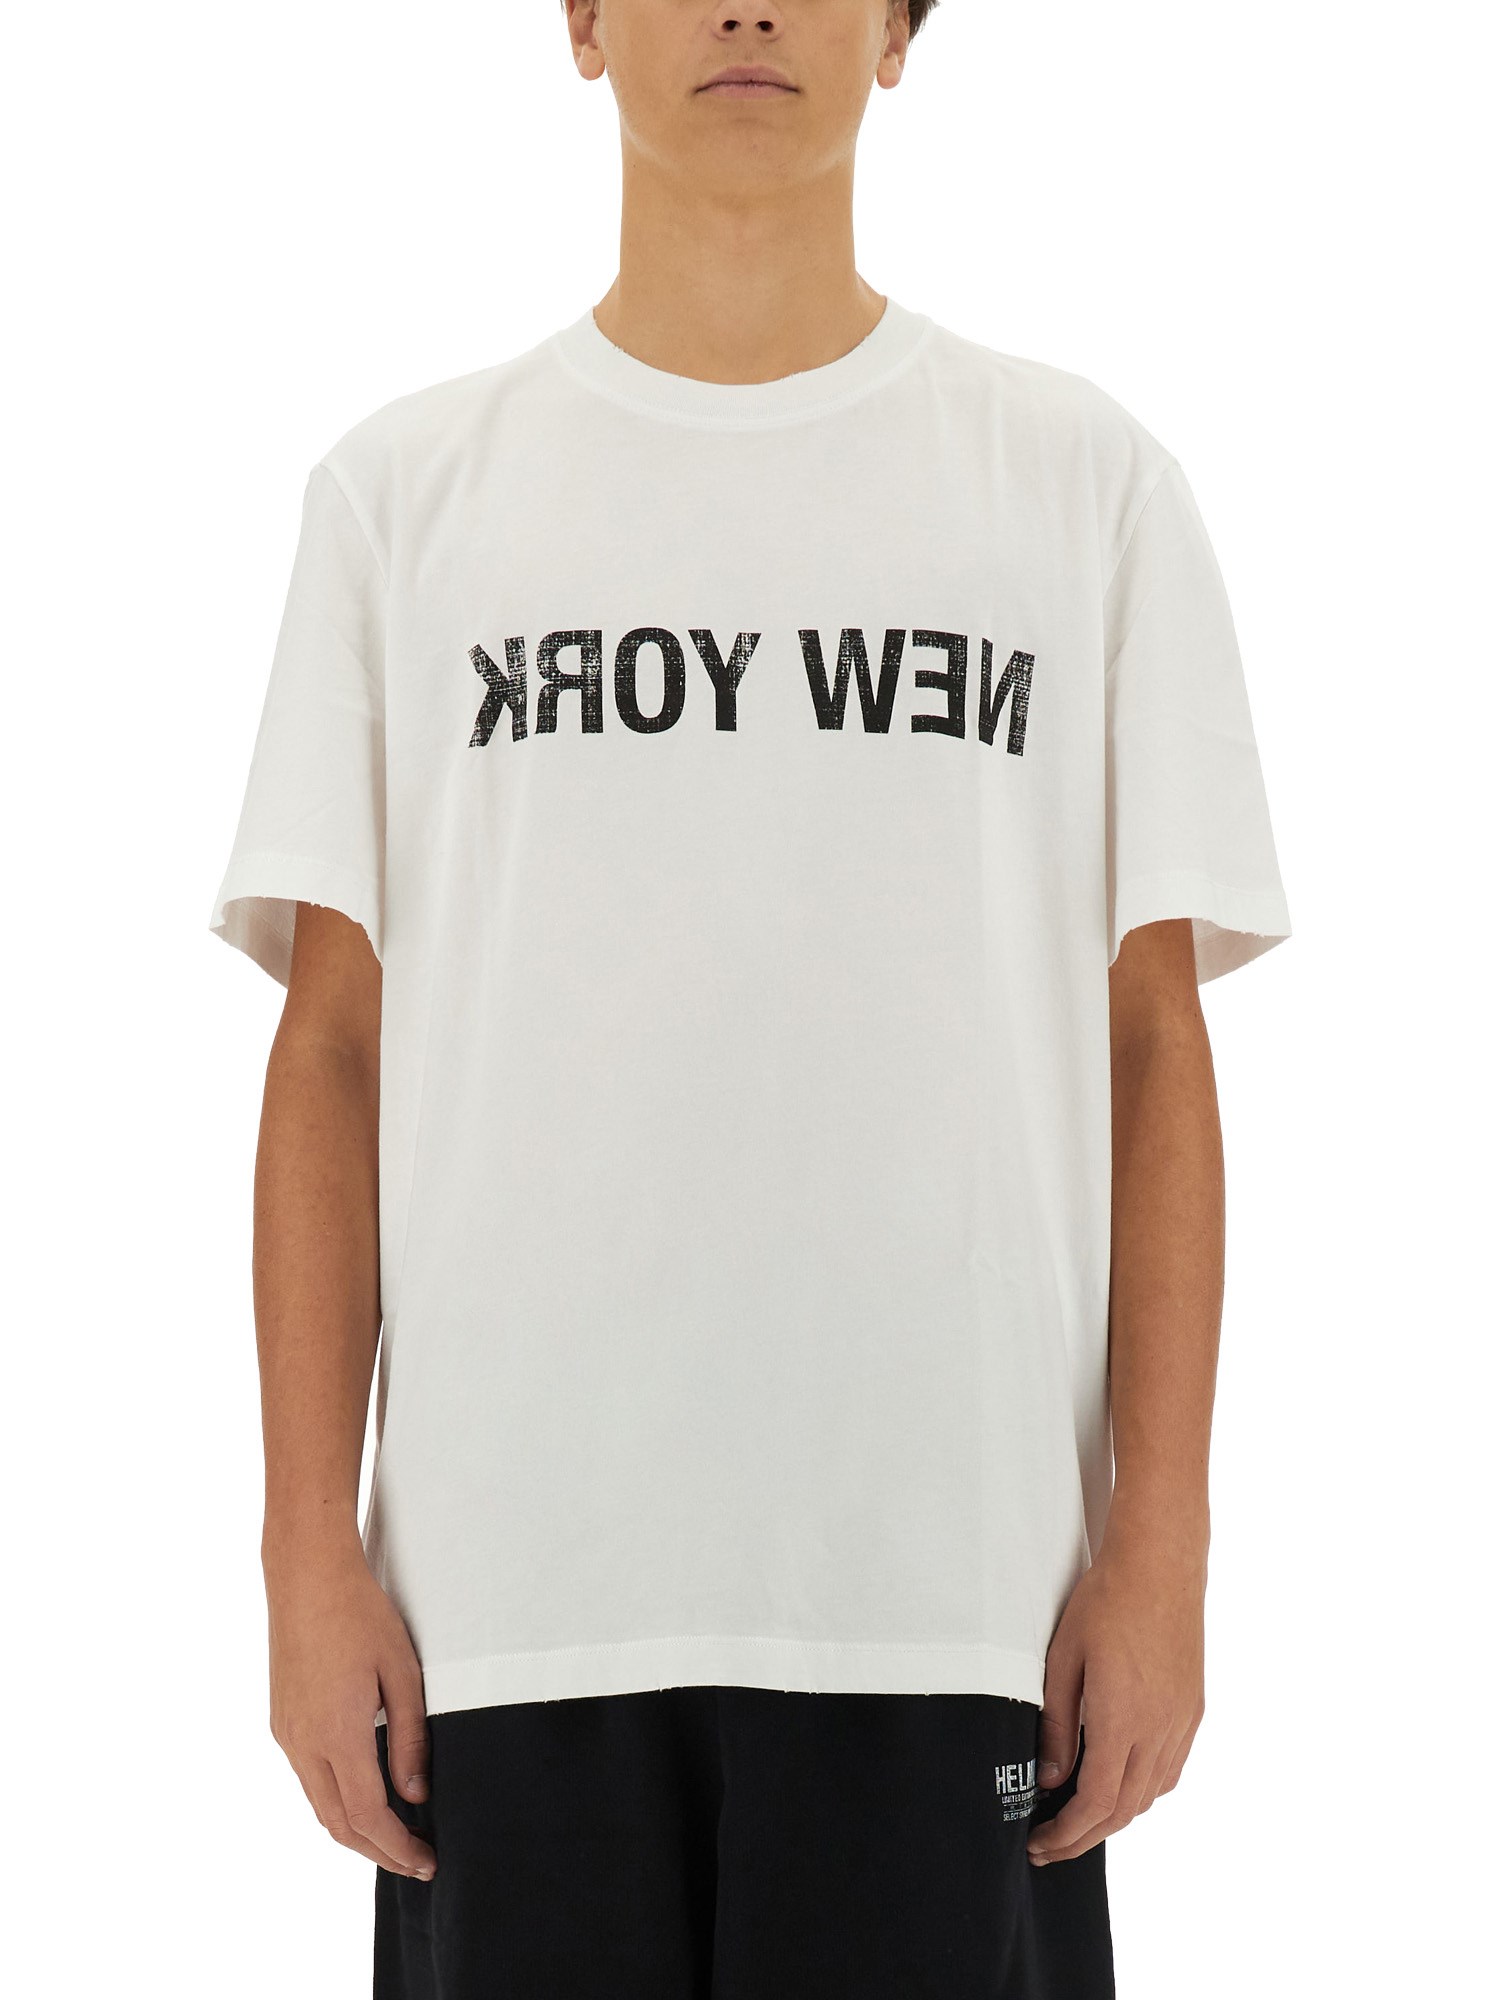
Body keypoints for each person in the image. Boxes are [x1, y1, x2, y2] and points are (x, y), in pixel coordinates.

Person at [207, 3, 1292, 1994]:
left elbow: (1156, 1046)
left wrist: (1164, 1541)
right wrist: (303, 1547)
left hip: (952, 1598)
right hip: (507, 1612)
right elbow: (330, 1049)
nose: (745, 7)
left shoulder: (1083, 486)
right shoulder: (402, 496)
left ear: (898, 34)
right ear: (581, 22)